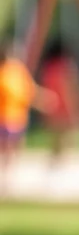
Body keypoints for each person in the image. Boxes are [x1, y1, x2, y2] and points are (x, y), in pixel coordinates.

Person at [0, 41, 51, 191]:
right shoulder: (5, 73)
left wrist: (43, 100)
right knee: (7, 148)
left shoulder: (17, 71)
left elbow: (29, 91)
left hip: (17, 118)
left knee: (13, 150)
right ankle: (7, 178)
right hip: (5, 118)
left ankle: (8, 178)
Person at [38, 38, 79, 168]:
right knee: (69, 138)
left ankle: (54, 164)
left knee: (57, 140)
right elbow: (72, 90)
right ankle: (59, 165)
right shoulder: (66, 66)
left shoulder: (47, 67)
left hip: (51, 106)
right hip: (65, 107)